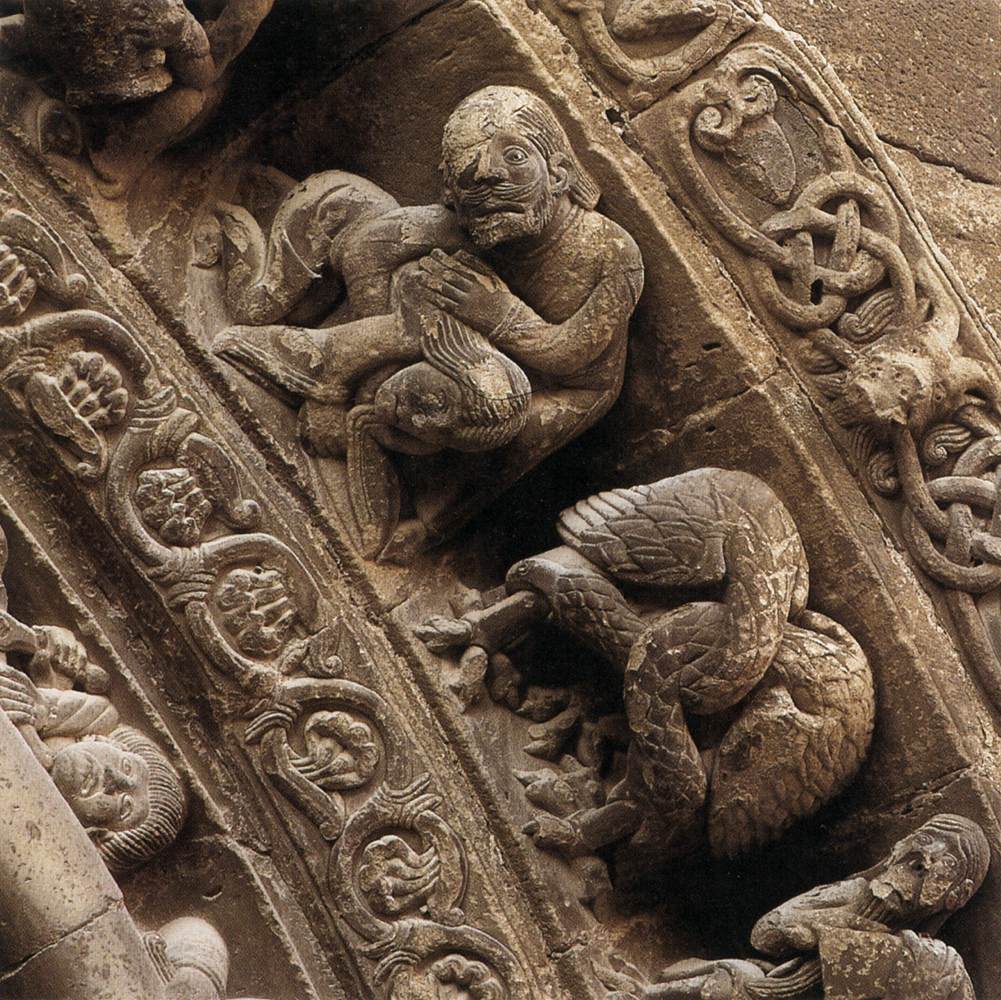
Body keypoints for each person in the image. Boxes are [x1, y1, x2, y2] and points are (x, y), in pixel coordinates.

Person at [214, 85, 644, 559]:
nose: (490, 182)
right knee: (421, 284)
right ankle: (343, 380)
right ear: (451, 195)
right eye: (469, 178)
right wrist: (379, 345)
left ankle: (426, 516)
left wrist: (500, 315)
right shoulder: (467, 225)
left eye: (516, 158)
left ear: (559, 172)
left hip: (563, 385)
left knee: (507, 417)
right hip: (455, 343)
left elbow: (570, 355)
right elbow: (366, 249)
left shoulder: (612, 253)